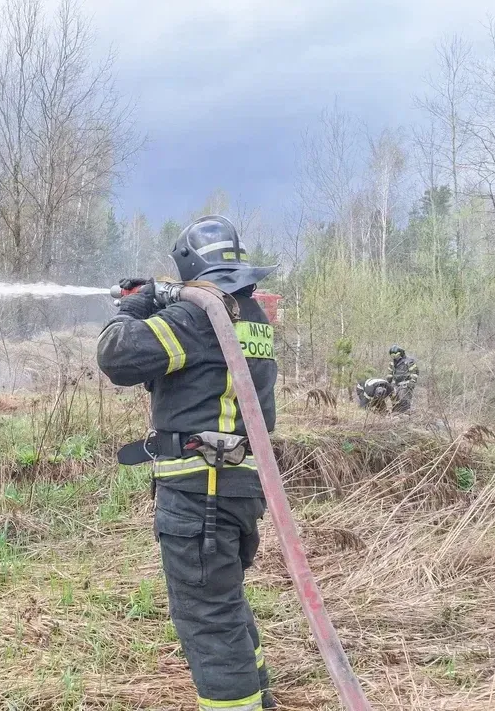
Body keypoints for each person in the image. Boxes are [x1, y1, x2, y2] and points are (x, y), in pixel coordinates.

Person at [97, 215, 279, 711]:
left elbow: (116, 356)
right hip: (237, 492)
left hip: (202, 496)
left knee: (207, 618)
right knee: (224, 604)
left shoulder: (196, 317)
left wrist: (134, 307)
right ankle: (259, 698)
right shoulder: (248, 316)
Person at [385, 345, 419, 413]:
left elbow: (414, 373)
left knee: (404, 398)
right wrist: (388, 382)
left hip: (406, 383)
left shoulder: (409, 361)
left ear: (401, 353)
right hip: (395, 383)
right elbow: (390, 373)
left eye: (396, 355)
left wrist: (412, 382)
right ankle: (396, 413)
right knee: (394, 398)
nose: (395, 357)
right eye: (393, 356)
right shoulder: (392, 363)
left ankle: (406, 414)